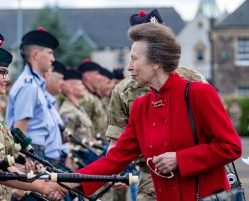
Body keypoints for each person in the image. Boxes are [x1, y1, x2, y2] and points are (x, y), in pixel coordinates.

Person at [66, 22, 242, 201]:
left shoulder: (199, 93)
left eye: (135, 58)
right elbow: (115, 159)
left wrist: (180, 159)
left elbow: (231, 147)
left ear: (156, 61)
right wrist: (68, 182)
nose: (129, 66)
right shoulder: (141, 107)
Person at [106, 9, 209, 201]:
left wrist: (184, 159)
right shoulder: (123, 91)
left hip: (194, 172)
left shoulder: (195, 82)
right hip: (149, 175)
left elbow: (218, 140)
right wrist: (119, 171)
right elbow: (116, 143)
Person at [0, 48, 66, 201]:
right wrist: (31, 185)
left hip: (6, 181)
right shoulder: (28, 86)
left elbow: (6, 151)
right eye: (1, 72)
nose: (6, 79)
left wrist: (22, 171)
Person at [6, 27, 63, 161]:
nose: (53, 59)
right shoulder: (28, 86)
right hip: (33, 150)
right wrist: (24, 159)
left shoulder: (36, 84)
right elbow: (20, 130)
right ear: (36, 54)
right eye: (49, 53)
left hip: (37, 149)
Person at [77, 59, 108, 138]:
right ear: (87, 76)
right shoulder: (85, 98)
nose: (100, 78)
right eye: (97, 74)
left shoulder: (92, 96)